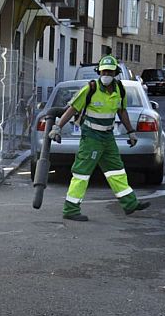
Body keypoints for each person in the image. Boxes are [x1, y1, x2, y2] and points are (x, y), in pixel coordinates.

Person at [49, 55, 150, 221]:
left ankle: (130, 203)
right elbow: (73, 108)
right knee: (82, 173)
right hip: (91, 137)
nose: (106, 74)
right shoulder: (90, 89)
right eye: (103, 71)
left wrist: (131, 131)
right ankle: (71, 209)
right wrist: (57, 127)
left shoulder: (120, 90)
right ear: (99, 72)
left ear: (115, 73)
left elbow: (122, 111)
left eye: (110, 71)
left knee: (117, 171)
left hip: (108, 137)